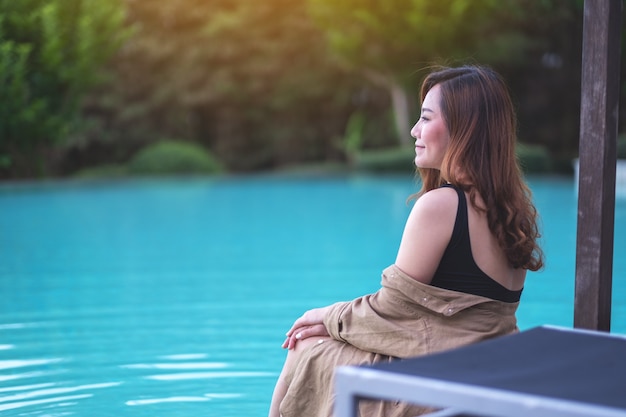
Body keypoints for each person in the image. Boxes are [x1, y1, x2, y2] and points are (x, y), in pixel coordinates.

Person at [268, 65, 544, 417]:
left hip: (439, 387)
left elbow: (391, 312)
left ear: (464, 129)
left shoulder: (442, 206)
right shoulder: (510, 210)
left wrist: (324, 315)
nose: (415, 130)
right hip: (490, 374)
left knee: (304, 346)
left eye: (426, 119)